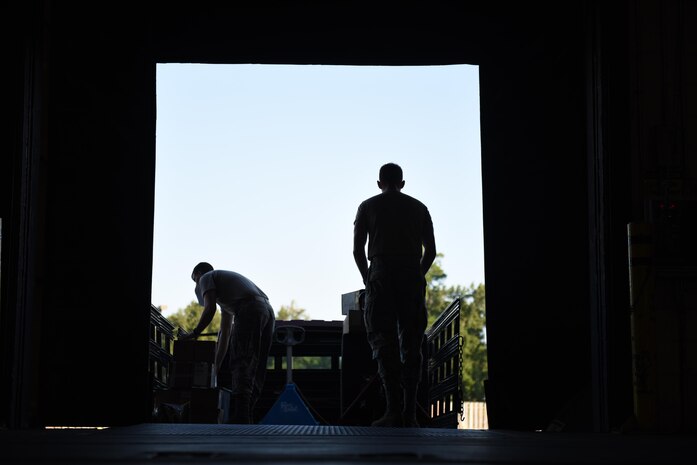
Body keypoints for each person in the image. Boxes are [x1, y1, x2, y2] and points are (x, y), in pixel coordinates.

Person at [353, 163, 436, 427]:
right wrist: (418, 274)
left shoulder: (367, 206)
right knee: (411, 342)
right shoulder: (419, 208)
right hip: (411, 271)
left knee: (382, 341)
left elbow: (357, 250)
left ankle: (392, 410)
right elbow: (431, 251)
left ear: (379, 183)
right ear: (403, 183)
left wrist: (369, 279)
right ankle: (410, 413)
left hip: (381, 272)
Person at [180, 262, 276, 424]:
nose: (197, 285)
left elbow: (209, 309)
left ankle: (241, 416)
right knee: (256, 364)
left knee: (242, 360)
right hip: (266, 310)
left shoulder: (206, 277)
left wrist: (194, 333)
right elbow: (225, 334)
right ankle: (247, 413)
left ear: (198, 273)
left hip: (250, 309)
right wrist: (216, 367)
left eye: (194, 279)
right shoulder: (229, 297)